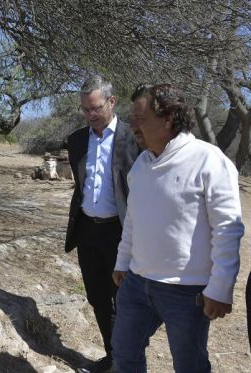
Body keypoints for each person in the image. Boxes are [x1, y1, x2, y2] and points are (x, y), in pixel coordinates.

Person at [112, 83, 245, 373]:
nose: (133, 125)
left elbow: (227, 229)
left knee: (190, 366)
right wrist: (123, 261)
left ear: (168, 119)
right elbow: (133, 220)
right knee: (124, 355)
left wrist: (221, 287)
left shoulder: (208, 160)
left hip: (186, 293)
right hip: (136, 284)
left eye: (141, 118)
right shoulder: (141, 166)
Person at [65, 75, 139, 373]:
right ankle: (112, 357)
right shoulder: (77, 140)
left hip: (121, 232)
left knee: (125, 301)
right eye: (85, 109)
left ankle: (127, 360)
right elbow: (81, 186)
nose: (90, 115)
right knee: (97, 297)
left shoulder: (133, 137)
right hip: (87, 231)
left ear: (111, 101)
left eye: (95, 108)